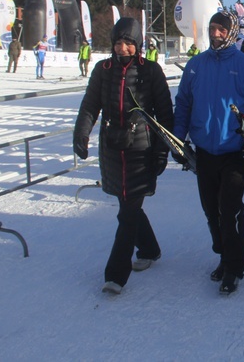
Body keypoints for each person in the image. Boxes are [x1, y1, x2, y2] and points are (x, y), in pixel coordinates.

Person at [173, 11, 244, 295]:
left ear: (231, 32)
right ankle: (224, 254)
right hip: (205, 151)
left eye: (221, 29)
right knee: (210, 210)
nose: (215, 33)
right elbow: (183, 106)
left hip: (235, 151)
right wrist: (178, 140)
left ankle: (234, 266)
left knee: (229, 209)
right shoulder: (195, 65)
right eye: (212, 28)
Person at [72, 17, 174, 295]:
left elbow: (165, 115)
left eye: (129, 43)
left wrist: (163, 152)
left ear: (138, 44)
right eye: (118, 43)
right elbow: (90, 105)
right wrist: (81, 133)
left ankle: (116, 274)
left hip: (142, 148)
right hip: (112, 148)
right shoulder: (102, 70)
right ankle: (150, 249)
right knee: (127, 205)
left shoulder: (150, 71)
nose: (123, 48)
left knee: (128, 212)